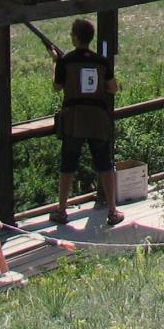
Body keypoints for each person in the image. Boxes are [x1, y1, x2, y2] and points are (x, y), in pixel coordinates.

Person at [52, 18, 123, 226]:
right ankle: (112, 211)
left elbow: (56, 87)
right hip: (97, 119)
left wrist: (55, 62)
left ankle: (62, 211)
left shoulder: (66, 61)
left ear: (75, 37)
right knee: (105, 164)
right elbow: (113, 88)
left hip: (74, 119)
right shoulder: (102, 62)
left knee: (67, 166)